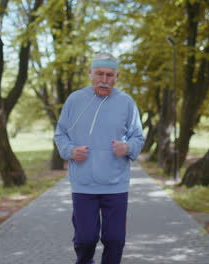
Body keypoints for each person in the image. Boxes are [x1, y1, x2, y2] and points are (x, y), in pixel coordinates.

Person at [54, 52, 144, 264]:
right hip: (84, 184)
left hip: (116, 185)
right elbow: (60, 134)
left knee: (115, 240)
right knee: (86, 240)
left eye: (109, 75)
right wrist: (70, 151)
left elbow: (138, 136)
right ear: (90, 73)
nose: (104, 80)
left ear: (117, 76)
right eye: (99, 74)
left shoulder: (126, 102)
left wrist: (128, 147)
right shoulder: (74, 100)